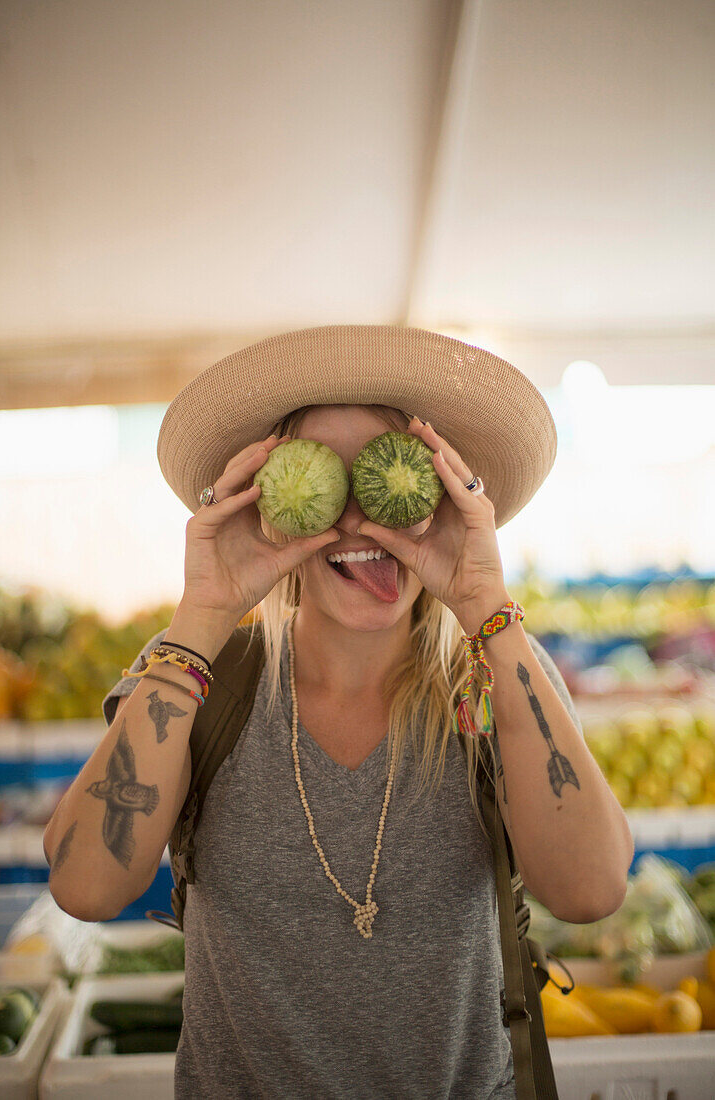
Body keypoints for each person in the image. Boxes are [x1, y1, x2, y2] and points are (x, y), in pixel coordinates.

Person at [43, 325, 633, 1099]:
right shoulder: (198, 673)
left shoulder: (494, 676)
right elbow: (85, 889)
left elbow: (589, 892)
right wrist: (203, 613)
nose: (359, 517)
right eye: (322, 478)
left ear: (443, 493)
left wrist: (485, 602)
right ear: (267, 500)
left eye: (389, 475)